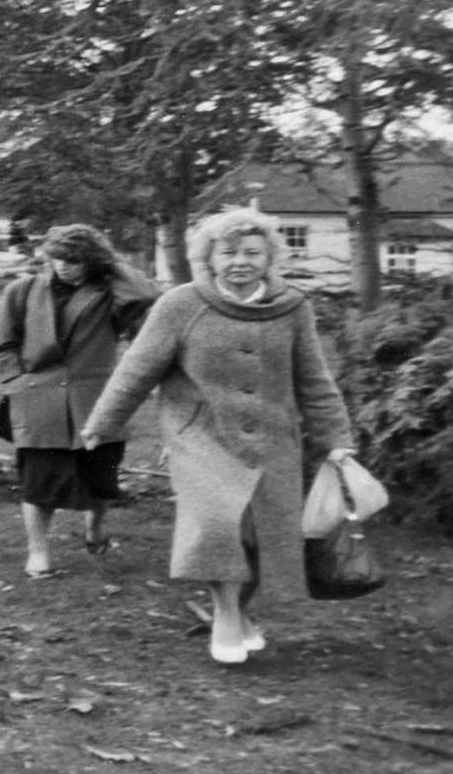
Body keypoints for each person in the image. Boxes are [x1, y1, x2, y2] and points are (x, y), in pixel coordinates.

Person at [79, 209, 355, 665]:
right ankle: (226, 616)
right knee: (217, 526)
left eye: (251, 252)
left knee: (260, 537)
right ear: (209, 258)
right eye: (228, 252)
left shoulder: (293, 308)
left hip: (273, 439)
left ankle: (240, 611)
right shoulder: (181, 305)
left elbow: (315, 380)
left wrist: (336, 439)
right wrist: (103, 422)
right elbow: (137, 368)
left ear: (269, 257)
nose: (239, 261)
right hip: (201, 436)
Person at [0, 224, 159, 579]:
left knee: (101, 480)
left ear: (92, 261)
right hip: (37, 398)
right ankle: (38, 552)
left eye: (74, 260)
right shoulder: (23, 290)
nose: (64, 266)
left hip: (96, 399)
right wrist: (16, 383)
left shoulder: (110, 294)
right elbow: (1, 344)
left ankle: (94, 528)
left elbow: (147, 294)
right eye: (58, 258)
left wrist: (109, 263)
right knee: (38, 480)